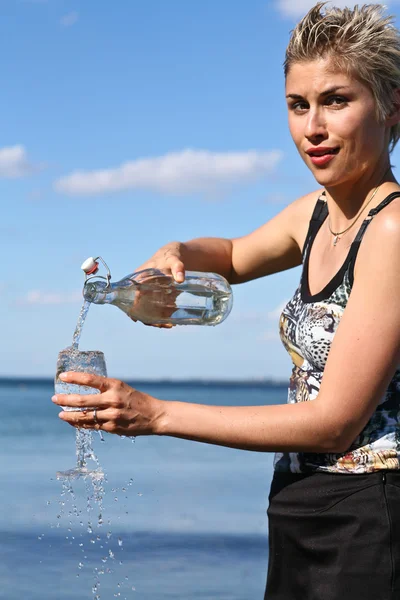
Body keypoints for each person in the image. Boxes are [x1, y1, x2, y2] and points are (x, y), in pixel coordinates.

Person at [52, 3, 400, 599]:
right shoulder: (315, 215)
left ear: (391, 107)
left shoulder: (392, 231)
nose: (312, 127)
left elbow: (335, 422)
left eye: (336, 100)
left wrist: (156, 415)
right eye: (297, 105)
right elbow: (235, 256)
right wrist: (176, 251)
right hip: (299, 505)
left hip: (369, 518)